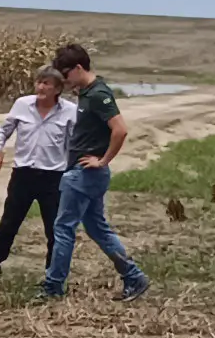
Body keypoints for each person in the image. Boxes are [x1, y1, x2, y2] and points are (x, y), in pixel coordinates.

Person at [39, 42, 147, 302]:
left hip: (84, 173)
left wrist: (103, 160)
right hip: (85, 173)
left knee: (63, 228)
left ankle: (53, 286)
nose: (64, 81)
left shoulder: (98, 94)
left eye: (65, 75)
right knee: (97, 229)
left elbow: (120, 129)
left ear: (78, 68)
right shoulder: (86, 93)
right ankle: (133, 276)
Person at [0, 68, 71, 273]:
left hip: (54, 177)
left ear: (58, 88)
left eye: (47, 83)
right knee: (8, 223)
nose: (41, 87)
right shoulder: (22, 105)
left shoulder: (70, 112)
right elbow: (3, 131)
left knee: (55, 228)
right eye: (39, 82)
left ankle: (54, 273)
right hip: (24, 174)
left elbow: (75, 144)